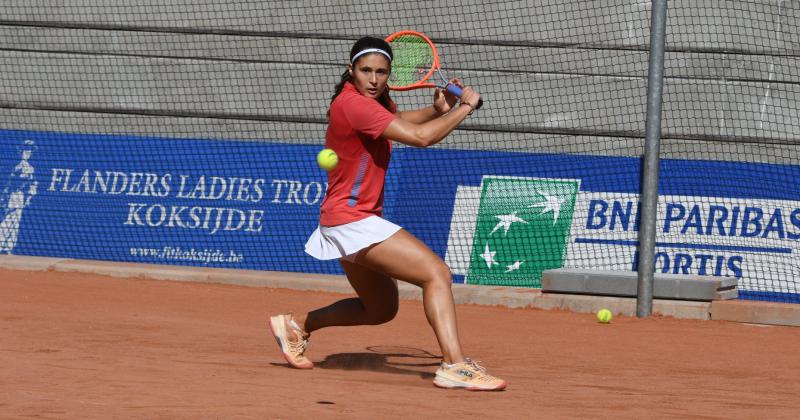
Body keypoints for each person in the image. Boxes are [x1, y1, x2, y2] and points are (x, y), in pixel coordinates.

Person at [268, 36, 506, 391]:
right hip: (352, 220)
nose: (374, 79)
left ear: (390, 75)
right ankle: (455, 365)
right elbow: (420, 138)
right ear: (351, 71)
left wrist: (438, 110)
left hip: (342, 220)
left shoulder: (367, 103)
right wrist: (465, 108)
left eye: (381, 72)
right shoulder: (356, 105)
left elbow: (397, 119)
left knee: (380, 310)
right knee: (436, 273)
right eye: (366, 71)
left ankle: (298, 324)